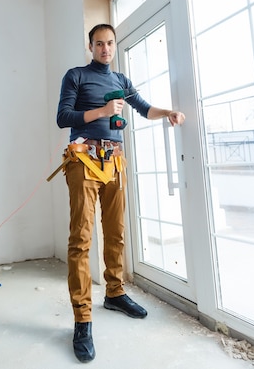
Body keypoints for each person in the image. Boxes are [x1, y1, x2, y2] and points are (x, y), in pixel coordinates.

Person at [56, 23, 185, 363]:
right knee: (81, 239)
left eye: (110, 43)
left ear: (114, 46)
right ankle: (82, 319)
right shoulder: (76, 76)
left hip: (114, 161)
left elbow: (144, 108)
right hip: (83, 159)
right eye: (99, 44)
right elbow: (62, 117)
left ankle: (114, 293)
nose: (105, 49)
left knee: (116, 233)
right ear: (90, 46)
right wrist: (101, 111)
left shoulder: (121, 81)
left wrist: (167, 113)